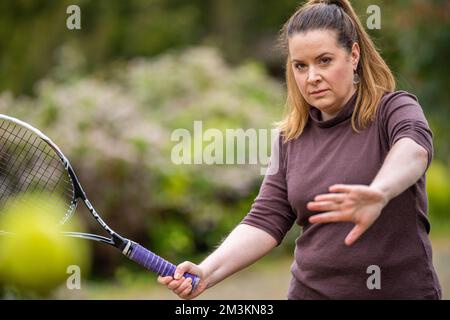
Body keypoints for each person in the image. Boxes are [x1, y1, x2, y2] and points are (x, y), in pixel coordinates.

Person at [158, 0, 442, 299]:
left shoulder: (392, 110)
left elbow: (414, 150)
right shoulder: (291, 136)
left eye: (324, 61)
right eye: (300, 66)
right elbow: (266, 218)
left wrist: (380, 192)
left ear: (354, 55)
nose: (312, 77)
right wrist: (207, 271)